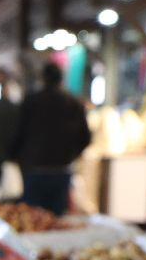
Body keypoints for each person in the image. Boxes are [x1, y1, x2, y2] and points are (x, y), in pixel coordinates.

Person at [13, 62, 91, 216]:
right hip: (62, 168)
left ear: (43, 78)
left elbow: (18, 133)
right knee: (56, 218)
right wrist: (71, 155)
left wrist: (17, 155)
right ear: (61, 78)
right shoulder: (74, 102)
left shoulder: (31, 101)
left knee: (32, 218)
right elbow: (85, 137)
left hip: (35, 168)